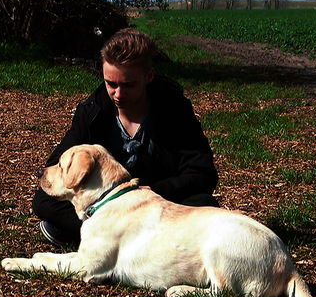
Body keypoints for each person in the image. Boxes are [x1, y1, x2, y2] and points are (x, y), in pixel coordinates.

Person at [32, 28, 219, 247]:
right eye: (111, 84)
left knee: (204, 204)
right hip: (107, 208)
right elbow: (56, 165)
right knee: (44, 200)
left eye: (128, 85)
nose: (118, 94)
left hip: (156, 206)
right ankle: (130, 243)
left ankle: (98, 240)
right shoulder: (93, 112)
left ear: (148, 76)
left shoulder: (174, 109)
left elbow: (203, 173)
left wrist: (155, 190)